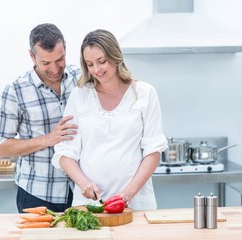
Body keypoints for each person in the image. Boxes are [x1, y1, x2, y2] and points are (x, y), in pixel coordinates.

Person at [51, 29, 167, 210]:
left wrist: (127, 194)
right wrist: (84, 184)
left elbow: (153, 151)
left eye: (101, 61)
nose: (96, 70)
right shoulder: (79, 96)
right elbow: (65, 152)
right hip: (89, 204)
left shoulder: (145, 93)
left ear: (115, 56)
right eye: (89, 64)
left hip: (136, 202)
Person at [0, 23, 81, 213]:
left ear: (65, 47)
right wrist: (47, 139)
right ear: (32, 56)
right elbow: (0, 147)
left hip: (81, 191)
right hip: (38, 195)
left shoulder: (81, 78)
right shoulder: (15, 91)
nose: (55, 68)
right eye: (46, 63)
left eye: (60, 59)